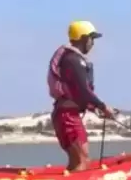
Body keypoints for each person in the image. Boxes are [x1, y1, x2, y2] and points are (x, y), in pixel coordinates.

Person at [47, 20, 118, 171]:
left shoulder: (70, 59)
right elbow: (83, 91)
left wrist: (95, 108)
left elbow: (78, 94)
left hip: (65, 115)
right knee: (83, 159)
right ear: (84, 38)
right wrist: (103, 106)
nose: (93, 44)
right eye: (92, 39)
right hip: (68, 117)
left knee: (77, 160)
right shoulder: (73, 60)